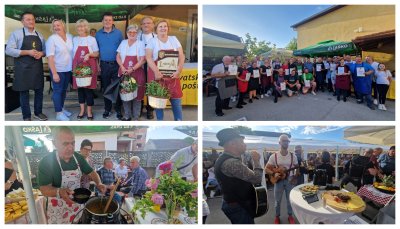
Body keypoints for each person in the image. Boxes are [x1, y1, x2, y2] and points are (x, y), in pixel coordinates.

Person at [38, 127, 106, 224]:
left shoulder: (78, 158)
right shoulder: (46, 162)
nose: (70, 148)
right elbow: (44, 189)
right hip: (57, 209)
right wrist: (59, 191)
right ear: (55, 143)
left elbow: (92, 172)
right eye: (65, 144)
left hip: (76, 205)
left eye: (73, 143)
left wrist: (99, 183)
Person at [214, 128, 263, 224]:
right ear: (232, 144)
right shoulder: (231, 162)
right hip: (238, 206)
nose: (245, 144)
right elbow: (257, 179)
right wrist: (256, 161)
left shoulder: (227, 159)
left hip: (236, 203)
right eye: (242, 142)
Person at [5, 11, 47, 121]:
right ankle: (26, 116)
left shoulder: (40, 35)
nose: (31, 21)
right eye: (28, 19)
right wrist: (27, 52)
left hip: (37, 67)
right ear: (22, 22)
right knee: (24, 92)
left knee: (39, 91)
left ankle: (38, 112)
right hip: (22, 68)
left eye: (32, 19)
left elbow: (45, 50)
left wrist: (41, 54)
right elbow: (8, 50)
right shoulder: (16, 34)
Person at [146, 19, 185, 121]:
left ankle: (179, 121)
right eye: (160, 26)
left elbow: (181, 56)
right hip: (158, 76)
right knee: (159, 102)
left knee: (176, 101)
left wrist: (179, 70)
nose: (163, 28)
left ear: (168, 28)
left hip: (173, 76)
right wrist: (156, 72)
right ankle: (160, 121)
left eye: (165, 26)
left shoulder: (174, 39)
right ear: (156, 29)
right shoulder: (152, 41)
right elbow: (148, 57)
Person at [96, 12, 124, 119]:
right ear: (102, 22)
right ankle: (107, 109)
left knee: (118, 87)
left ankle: (118, 109)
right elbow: (97, 51)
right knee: (106, 88)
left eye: (109, 20)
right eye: (105, 20)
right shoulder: (98, 34)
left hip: (116, 65)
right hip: (104, 65)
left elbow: (122, 49)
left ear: (112, 21)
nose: (107, 22)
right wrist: (98, 65)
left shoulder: (118, 33)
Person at [265, 134, 297, 224]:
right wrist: (274, 173)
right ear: (279, 142)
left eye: (287, 141)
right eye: (284, 141)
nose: (286, 142)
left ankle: (290, 216)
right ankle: (277, 216)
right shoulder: (274, 156)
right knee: (277, 201)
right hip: (278, 181)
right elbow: (266, 168)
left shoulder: (293, 156)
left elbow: (296, 168)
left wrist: (295, 176)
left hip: (289, 180)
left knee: (289, 199)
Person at [116, 24, 146, 121]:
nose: (132, 34)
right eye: (130, 32)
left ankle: (136, 116)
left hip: (137, 72)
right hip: (124, 71)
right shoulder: (123, 42)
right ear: (127, 33)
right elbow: (118, 56)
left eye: (134, 32)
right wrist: (122, 67)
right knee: (125, 94)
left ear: (137, 33)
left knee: (137, 95)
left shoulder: (140, 43)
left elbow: (142, 60)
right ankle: (127, 115)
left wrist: (132, 69)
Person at [46, 19, 74, 121]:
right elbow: (50, 57)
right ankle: (58, 113)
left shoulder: (70, 37)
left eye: (58, 25)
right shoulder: (52, 39)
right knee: (57, 91)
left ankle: (61, 108)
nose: (56, 27)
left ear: (63, 26)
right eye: (54, 26)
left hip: (68, 69)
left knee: (64, 91)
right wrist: (54, 73)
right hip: (57, 69)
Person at [72, 19, 99, 120]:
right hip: (77, 67)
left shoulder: (92, 39)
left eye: (83, 26)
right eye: (79, 26)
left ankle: (89, 111)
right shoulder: (74, 39)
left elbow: (96, 53)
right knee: (80, 90)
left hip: (89, 67)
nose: (81, 28)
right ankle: (82, 110)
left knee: (89, 90)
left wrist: (89, 54)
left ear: (86, 27)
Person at [139, 16, 157, 119]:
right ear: (141, 25)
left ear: (153, 25)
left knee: (151, 87)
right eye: (144, 23)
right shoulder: (137, 36)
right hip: (140, 65)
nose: (146, 25)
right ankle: (140, 107)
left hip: (152, 65)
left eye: (149, 23)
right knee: (140, 86)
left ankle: (150, 110)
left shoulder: (156, 37)